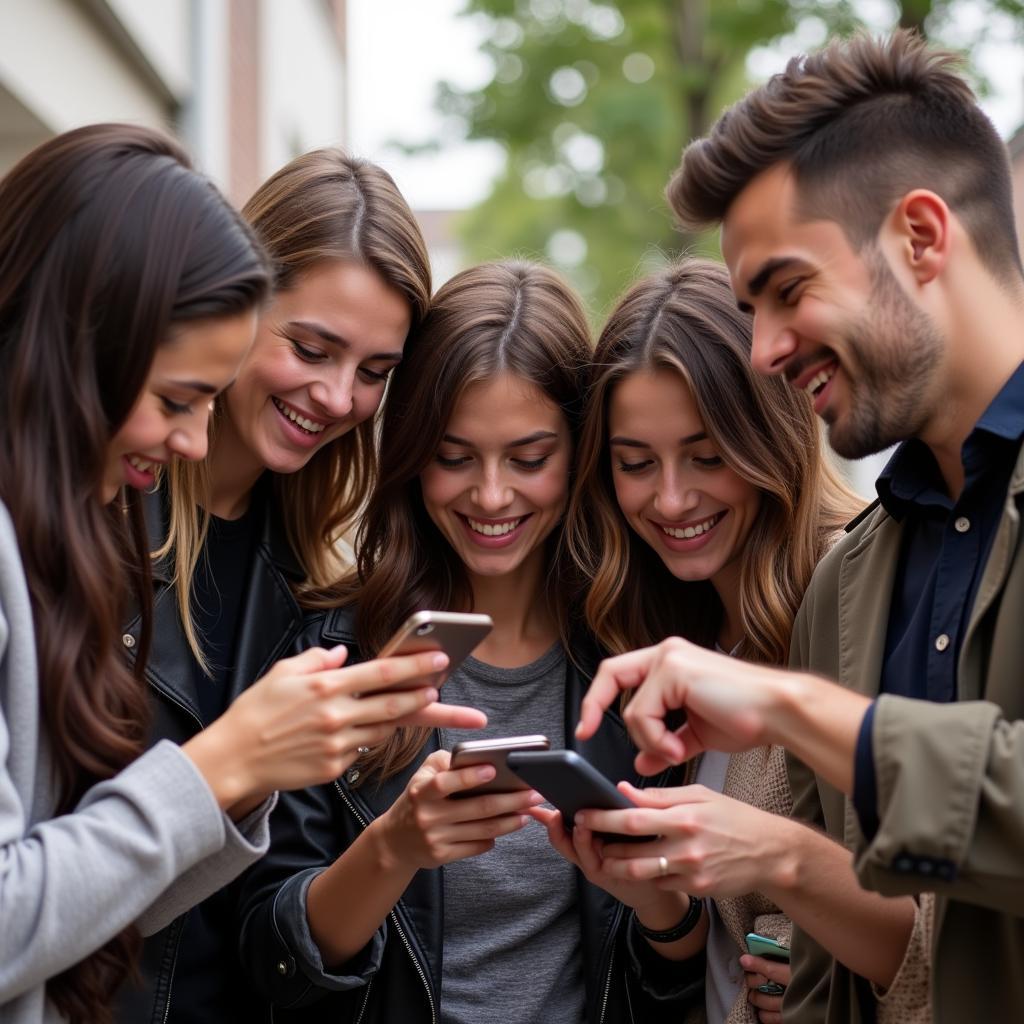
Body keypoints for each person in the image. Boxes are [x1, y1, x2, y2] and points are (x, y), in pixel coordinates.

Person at [575, 29, 1024, 1024]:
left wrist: (787, 713)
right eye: (749, 308)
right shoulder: (852, 583)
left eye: (786, 291)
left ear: (920, 235)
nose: (766, 350)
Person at [0, 124, 479, 1024]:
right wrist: (224, 765)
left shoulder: (319, 583)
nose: (337, 398)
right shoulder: (62, 524)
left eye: (374, 372)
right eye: (309, 349)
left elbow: (225, 909)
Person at [235, 260, 698, 1023]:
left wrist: (661, 900)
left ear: (581, 452)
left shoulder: (640, 661)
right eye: (454, 458)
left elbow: (673, 983)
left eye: (528, 458)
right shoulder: (334, 654)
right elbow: (271, 959)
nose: (489, 495)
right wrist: (394, 849)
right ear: (414, 457)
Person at [540, 258, 928, 1024]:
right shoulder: (665, 626)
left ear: (769, 434)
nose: (672, 498)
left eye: (707, 455)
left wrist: (820, 972)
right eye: (635, 464)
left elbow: (950, 933)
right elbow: (713, 954)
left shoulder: (874, 590)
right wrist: (661, 904)